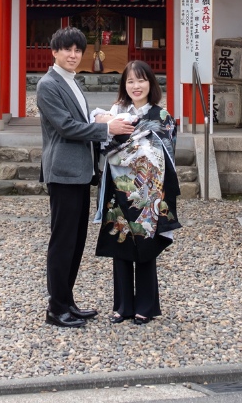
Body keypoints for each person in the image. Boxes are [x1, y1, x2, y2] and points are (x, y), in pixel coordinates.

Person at [36, 26, 134, 328]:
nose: (73, 55)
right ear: (54, 51)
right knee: (63, 241)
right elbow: (66, 127)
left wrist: (100, 118)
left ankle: (67, 302)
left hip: (79, 172)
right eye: (67, 49)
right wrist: (107, 129)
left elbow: (80, 120)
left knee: (76, 241)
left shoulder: (73, 81)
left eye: (78, 50)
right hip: (63, 171)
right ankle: (56, 308)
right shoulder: (48, 84)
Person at [94, 60, 181, 324]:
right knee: (119, 244)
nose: (135, 86)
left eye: (141, 80)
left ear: (151, 84)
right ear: (124, 85)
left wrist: (127, 149)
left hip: (148, 192)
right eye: (130, 81)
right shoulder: (116, 112)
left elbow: (163, 155)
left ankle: (146, 305)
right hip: (119, 189)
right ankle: (122, 306)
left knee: (145, 245)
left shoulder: (162, 117)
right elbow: (103, 144)